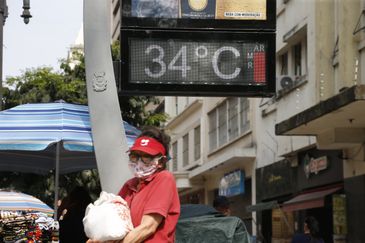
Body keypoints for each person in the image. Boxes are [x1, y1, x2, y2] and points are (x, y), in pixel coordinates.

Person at [87, 126, 180, 243]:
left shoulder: (164, 178)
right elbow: (114, 221)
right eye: (134, 156)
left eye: (146, 157)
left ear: (161, 161)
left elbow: (147, 227)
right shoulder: (129, 185)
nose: (139, 162)